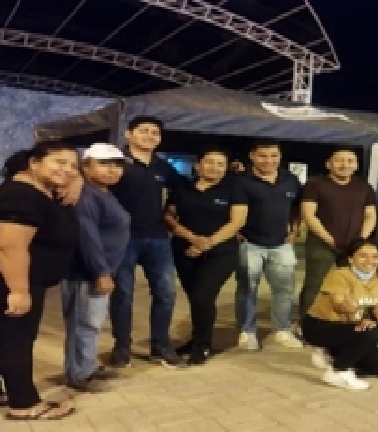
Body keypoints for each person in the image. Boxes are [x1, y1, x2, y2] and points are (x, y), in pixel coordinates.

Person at [0, 141, 79, 420]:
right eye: (60, 162)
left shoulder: (36, 190)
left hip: (10, 277)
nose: (68, 170)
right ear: (34, 162)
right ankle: (24, 403)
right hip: (10, 278)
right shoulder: (21, 196)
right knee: (17, 339)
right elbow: (9, 246)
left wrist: (75, 181)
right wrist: (18, 291)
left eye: (73, 165)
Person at [108, 116, 185, 368]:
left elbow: (183, 188)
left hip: (157, 237)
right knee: (122, 294)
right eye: (144, 131)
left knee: (166, 293)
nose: (150, 136)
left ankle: (160, 346)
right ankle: (122, 347)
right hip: (122, 239)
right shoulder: (116, 162)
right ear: (128, 134)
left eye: (155, 133)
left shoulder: (162, 167)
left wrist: (171, 209)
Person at [166, 148, 248, 365]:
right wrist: (192, 238)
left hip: (221, 252)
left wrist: (207, 244)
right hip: (185, 251)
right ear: (197, 165)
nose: (215, 167)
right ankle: (196, 339)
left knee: (203, 295)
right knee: (195, 298)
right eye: (210, 162)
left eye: (221, 164)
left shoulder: (234, 189)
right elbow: (169, 217)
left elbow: (237, 222)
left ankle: (202, 345)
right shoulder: (183, 188)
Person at [61, 144, 130, 392]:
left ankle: (86, 365)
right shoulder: (85, 196)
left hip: (97, 270)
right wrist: (100, 272)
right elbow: (87, 237)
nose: (112, 170)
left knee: (90, 322)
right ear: (86, 167)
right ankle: (80, 374)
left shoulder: (103, 192)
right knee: (85, 323)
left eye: (117, 165)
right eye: (104, 164)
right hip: (86, 273)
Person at [233, 141, 303, 350]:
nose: (269, 160)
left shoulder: (290, 180)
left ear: (280, 157)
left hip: (281, 245)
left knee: (284, 290)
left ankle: (282, 330)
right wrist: (235, 232)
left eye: (274, 156)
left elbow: (297, 207)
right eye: (263, 156)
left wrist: (295, 230)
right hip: (249, 243)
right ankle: (247, 332)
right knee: (247, 289)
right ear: (252, 156)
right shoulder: (240, 181)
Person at [301, 239, 378, 390]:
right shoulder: (339, 275)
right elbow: (339, 305)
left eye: (375, 256)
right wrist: (362, 317)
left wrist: (373, 319)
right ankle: (337, 371)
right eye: (363, 256)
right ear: (351, 259)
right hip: (322, 326)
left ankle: (332, 352)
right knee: (370, 333)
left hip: (353, 329)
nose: (370, 260)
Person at [299, 149, 377, 319]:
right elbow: (308, 214)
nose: (345, 165)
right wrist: (329, 239)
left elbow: (370, 215)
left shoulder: (364, 188)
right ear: (328, 164)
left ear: (356, 165)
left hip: (354, 246)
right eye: (339, 160)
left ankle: (350, 319)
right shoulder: (314, 185)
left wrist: (360, 241)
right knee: (315, 284)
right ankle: (308, 321)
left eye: (350, 161)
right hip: (321, 243)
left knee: (353, 283)